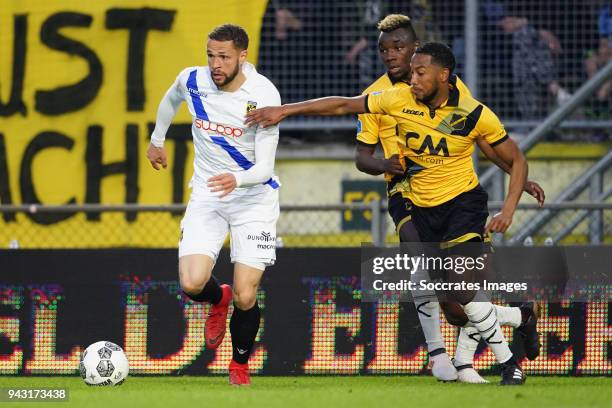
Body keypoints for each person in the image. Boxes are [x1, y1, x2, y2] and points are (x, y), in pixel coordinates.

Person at [246, 42, 530, 385]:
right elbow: (341, 104)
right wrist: (285, 110)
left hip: (463, 206)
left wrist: (510, 208)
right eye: (411, 72)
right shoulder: (397, 100)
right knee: (455, 310)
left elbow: (516, 159)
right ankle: (520, 315)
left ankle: (509, 364)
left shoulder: (473, 113)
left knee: (461, 286)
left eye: (420, 72)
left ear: (443, 75)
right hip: (422, 208)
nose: (413, 79)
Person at [356, 14, 544, 384]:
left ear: (417, 52)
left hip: (454, 195)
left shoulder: (453, 92)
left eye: (398, 48)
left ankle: (516, 320)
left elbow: (479, 138)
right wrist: (383, 163)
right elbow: (361, 157)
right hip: (404, 193)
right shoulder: (378, 96)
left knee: (459, 305)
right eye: (383, 49)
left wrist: (516, 178)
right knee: (427, 268)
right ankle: (445, 356)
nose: (390, 56)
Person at [147, 24, 281, 386]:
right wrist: (156, 140)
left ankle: (239, 365)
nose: (215, 64)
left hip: (254, 198)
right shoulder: (193, 80)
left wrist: (237, 179)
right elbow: (171, 98)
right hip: (208, 193)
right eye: (210, 55)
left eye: (223, 56)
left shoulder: (264, 94)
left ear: (242, 56)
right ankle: (216, 299)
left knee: (246, 292)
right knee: (192, 284)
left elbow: (265, 167)